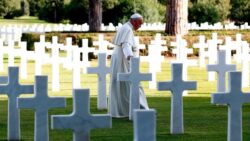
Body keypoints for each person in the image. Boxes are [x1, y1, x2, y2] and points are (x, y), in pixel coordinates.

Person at [109, 13, 149, 118]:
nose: (140, 26)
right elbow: (126, 45)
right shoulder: (127, 29)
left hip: (120, 59)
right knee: (134, 84)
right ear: (134, 21)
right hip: (124, 60)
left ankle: (125, 110)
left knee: (123, 86)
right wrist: (130, 57)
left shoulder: (125, 27)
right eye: (139, 24)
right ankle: (143, 109)